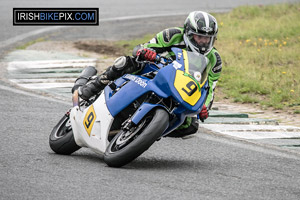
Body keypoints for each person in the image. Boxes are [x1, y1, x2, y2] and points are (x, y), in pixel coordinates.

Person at [73, 11, 222, 137]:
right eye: (199, 37)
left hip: (181, 88)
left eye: (207, 39)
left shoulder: (215, 60)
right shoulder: (172, 35)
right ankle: (92, 87)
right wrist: (145, 52)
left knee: (190, 125)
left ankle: (145, 131)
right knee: (127, 62)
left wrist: (205, 107)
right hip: (155, 70)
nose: (203, 42)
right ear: (188, 33)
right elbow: (142, 48)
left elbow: (210, 89)